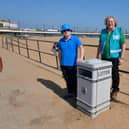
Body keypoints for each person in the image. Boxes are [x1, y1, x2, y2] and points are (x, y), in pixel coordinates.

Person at [96, 16, 126, 100]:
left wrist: (122, 57)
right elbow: (100, 44)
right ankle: (104, 90)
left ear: (115, 22)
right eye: (108, 21)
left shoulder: (119, 31)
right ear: (106, 23)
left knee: (115, 75)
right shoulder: (103, 32)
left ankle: (115, 91)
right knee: (103, 74)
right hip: (104, 57)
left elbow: (123, 44)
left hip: (115, 57)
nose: (110, 23)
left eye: (112, 21)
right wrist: (98, 55)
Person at [57, 24, 84, 99]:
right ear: (62, 32)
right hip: (64, 64)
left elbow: (81, 48)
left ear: (70, 31)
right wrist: (60, 63)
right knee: (67, 79)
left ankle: (76, 95)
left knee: (74, 80)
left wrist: (80, 57)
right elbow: (59, 53)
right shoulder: (60, 41)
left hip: (73, 64)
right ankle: (70, 93)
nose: (66, 32)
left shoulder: (75, 39)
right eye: (64, 31)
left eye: (67, 30)